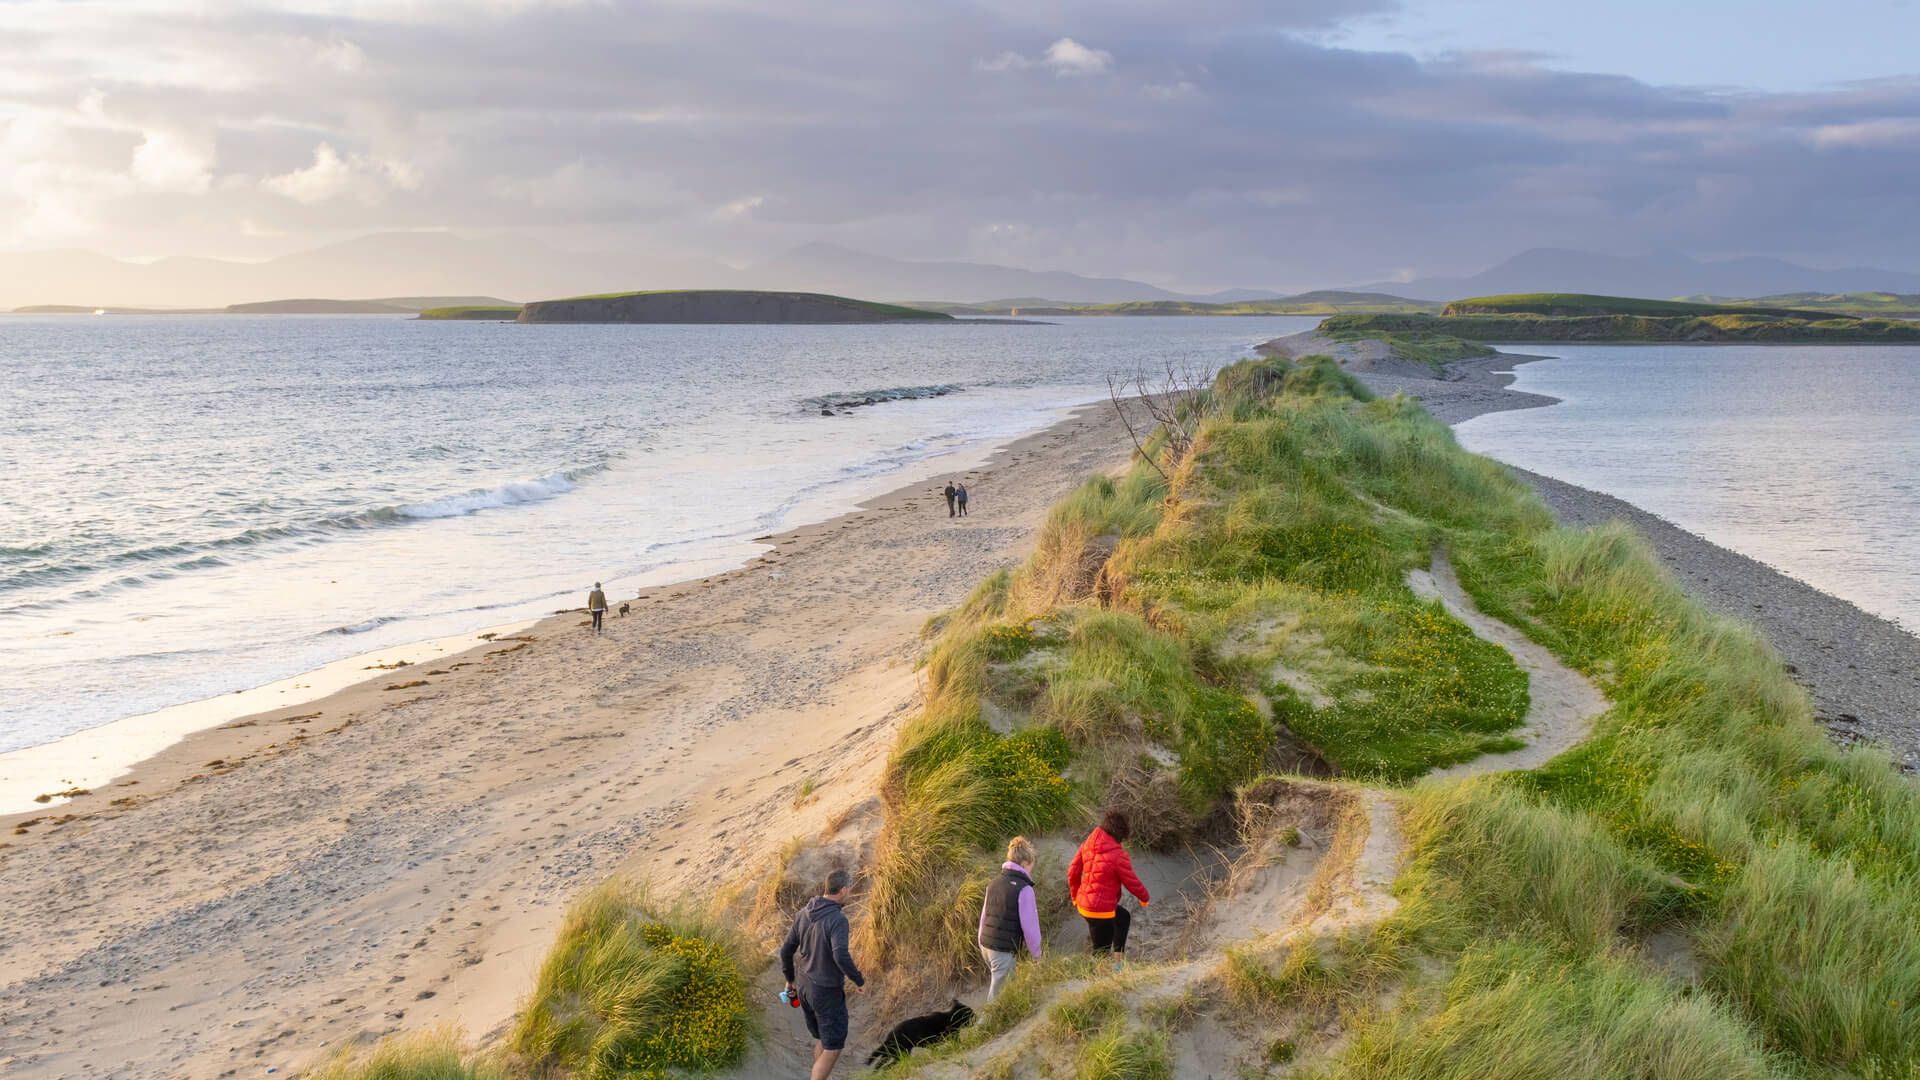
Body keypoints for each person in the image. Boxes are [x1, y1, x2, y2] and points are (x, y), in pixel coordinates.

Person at [781, 869, 867, 1080]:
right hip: (825, 992)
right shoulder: (838, 920)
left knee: (822, 1037)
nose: (850, 894)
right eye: (850, 890)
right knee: (833, 1046)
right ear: (844, 890)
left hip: (803, 986)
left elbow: (785, 950)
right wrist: (858, 980)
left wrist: (789, 980)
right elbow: (840, 955)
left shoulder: (803, 913)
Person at [1067, 809, 1149, 966]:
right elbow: (1132, 882)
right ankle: (1094, 979)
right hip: (1100, 911)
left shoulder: (1087, 844)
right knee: (1101, 953)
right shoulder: (1118, 855)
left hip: (1085, 906)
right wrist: (1144, 898)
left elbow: (1072, 872)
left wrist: (1075, 898)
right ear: (1121, 832)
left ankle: (1118, 962)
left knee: (1123, 917)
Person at [977, 836, 1041, 1000]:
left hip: (985, 945)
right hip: (1002, 950)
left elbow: (984, 917)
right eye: (1031, 866)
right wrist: (1037, 955)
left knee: (1007, 988)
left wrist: (981, 942)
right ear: (1025, 863)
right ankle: (984, 1026)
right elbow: (1030, 928)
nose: (1031, 870)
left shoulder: (994, 882)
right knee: (996, 999)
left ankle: (1006, 1017)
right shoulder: (1024, 889)